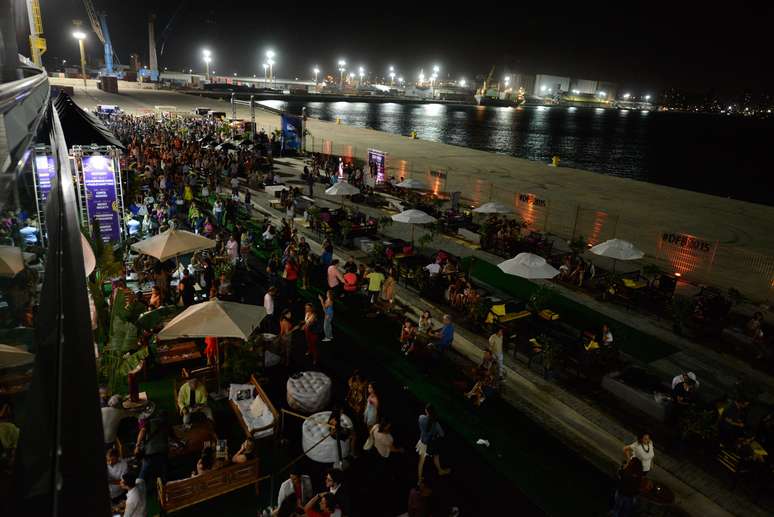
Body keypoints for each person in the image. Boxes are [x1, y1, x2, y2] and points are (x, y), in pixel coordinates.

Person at [134, 408, 169, 485]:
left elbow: (142, 431)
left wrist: (137, 445)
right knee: (164, 473)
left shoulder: (150, 422)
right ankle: (164, 489)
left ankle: (138, 488)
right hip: (162, 452)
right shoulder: (166, 424)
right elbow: (174, 437)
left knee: (144, 471)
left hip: (149, 452)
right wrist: (181, 443)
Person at [416, 404, 451, 480]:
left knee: (421, 462)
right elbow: (442, 434)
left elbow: (421, 426)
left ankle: (419, 479)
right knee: (436, 455)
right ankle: (440, 471)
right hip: (430, 444)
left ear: (426, 411)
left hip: (423, 442)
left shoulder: (421, 417)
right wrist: (435, 434)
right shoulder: (436, 424)